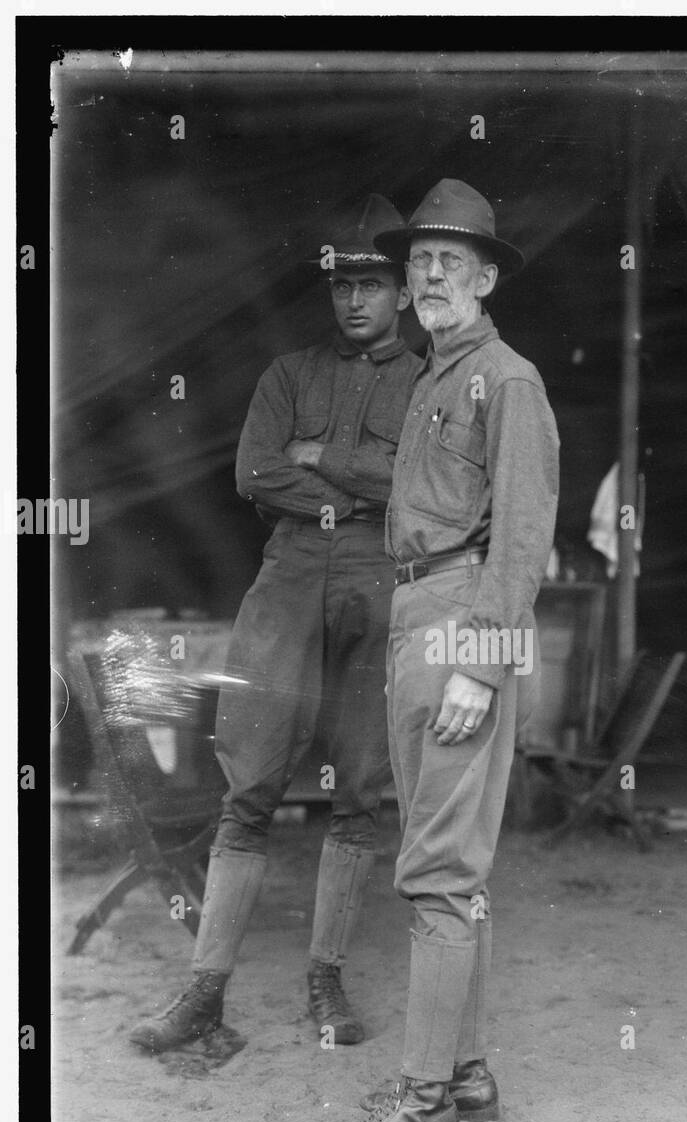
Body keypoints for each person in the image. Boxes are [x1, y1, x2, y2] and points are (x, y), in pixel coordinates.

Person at [130, 195, 420, 1053]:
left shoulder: (431, 382)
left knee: (360, 791)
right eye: (342, 285)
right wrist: (351, 482)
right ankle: (204, 993)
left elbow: (417, 489)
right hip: (289, 575)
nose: (355, 299)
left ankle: (324, 981)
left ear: (403, 291)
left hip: (379, 579)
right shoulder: (287, 375)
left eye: (372, 283)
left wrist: (322, 456)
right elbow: (255, 474)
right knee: (248, 787)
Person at [314, 178, 559, 1122]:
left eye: (450, 262)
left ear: (487, 277)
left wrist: (483, 664)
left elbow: (523, 536)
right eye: (419, 262)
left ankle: (421, 1104)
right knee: (448, 866)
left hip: (462, 626)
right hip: (418, 614)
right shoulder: (431, 378)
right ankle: (463, 1073)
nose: (429, 278)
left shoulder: (507, 381)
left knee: (437, 878)